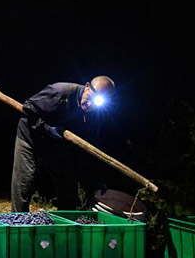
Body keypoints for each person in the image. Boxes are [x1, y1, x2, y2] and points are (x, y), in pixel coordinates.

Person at [11, 75, 116, 212]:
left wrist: (96, 180)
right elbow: (28, 109)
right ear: (87, 86)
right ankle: (18, 225)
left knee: (68, 185)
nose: (89, 105)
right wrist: (48, 129)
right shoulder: (60, 91)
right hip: (30, 138)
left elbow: (89, 150)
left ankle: (65, 225)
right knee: (25, 183)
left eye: (96, 104)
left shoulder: (94, 116)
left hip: (55, 145)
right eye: (90, 98)